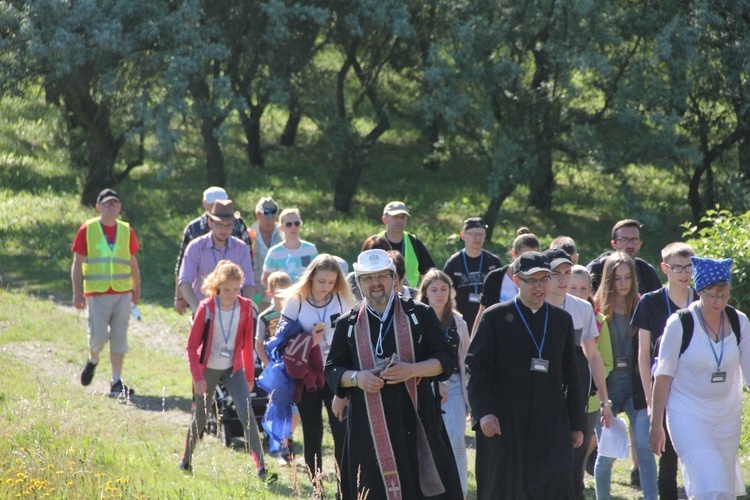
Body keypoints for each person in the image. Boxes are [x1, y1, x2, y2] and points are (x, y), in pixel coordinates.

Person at [325, 249, 462, 499]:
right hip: (366, 428)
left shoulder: (419, 314)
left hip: (415, 418)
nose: (375, 283)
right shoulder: (348, 323)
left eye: (381, 276)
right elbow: (333, 370)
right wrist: (358, 378)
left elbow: (445, 360)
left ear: (393, 277)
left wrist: (413, 370)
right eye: (367, 278)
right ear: (358, 282)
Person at [466, 251, 586, 499]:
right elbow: (476, 369)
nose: (539, 286)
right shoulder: (494, 317)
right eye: (532, 280)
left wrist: (577, 424)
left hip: (550, 424)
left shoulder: (562, 320)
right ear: (517, 281)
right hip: (504, 423)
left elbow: (573, 376)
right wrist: (484, 412)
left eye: (544, 278)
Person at [650, 257, 750, 499]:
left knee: (723, 488)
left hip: (726, 416)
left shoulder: (739, 321)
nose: (719, 302)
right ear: (699, 291)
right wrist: (655, 425)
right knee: (709, 484)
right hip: (687, 412)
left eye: (724, 295)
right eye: (713, 295)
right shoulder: (680, 323)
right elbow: (663, 376)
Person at [179, 260, 275, 482]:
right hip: (208, 369)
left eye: (236, 289)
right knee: (201, 417)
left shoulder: (245, 307)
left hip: (233, 369)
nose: (232, 294)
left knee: (247, 414)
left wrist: (250, 377)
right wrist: (198, 378)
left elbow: (247, 345)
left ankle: (262, 469)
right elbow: (191, 347)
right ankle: (186, 460)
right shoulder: (207, 308)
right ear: (217, 286)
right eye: (226, 289)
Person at [542, 249, 613, 499]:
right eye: (556, 274)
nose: (563, 280)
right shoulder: (534, 307)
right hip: (540, 397)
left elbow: (593, 357)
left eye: (567, 273)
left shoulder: (582, 309)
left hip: (575, 398)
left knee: (574, 470)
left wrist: (605, 401)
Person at [279, 254, 355, 480]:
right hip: (307, 376)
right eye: (322, 281)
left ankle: (345, 488)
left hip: (336, 374)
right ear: (311, 277)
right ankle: (316, 488)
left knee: (342, 431)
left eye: (332, 282)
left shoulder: (342, 299)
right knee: (313, 433)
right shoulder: (296, 301)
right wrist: (308, 341)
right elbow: (279, 340)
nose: (326, 287)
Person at [632, 242, 696, 499]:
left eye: (688, 267)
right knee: (667, 462)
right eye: (676, 267)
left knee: (695, 456)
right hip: (665, 389)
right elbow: (643, 353)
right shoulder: (650, 302)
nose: (683, 273)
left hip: (696, 388)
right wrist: (650, 399)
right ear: (664, 268)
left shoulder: (703, 298)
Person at [592, 252, 657, 500]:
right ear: (608, 279)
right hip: (606, 387)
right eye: (617, 278)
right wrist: (602, 398)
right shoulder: (596, 308)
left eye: (628, 277)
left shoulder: (642, 305)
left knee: (644, 446)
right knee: (606, 453)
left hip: (635, 385)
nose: (623, 283)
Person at [72, 188, 141, 397]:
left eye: (114, 203)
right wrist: (77, 293)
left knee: (120, 338)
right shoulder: (88, 229)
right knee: (99, 337)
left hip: (122, 293)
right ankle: (93, 360)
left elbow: (133, 263)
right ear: (98, 207)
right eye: (107, 203)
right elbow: (77, 263)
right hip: (97, 293)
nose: (111, 207)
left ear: (119, 207)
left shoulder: (126, 230)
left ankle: (116, 381)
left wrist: (136, 290)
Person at [417, 269, 471, 498]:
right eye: (434, 289)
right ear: (425, 292)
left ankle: (461, 491)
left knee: (457, 439)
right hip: (421, 383)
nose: (440, 294)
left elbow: (466, 359)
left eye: (444, 289)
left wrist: (470, 400)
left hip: (454, 384)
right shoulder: (415, 318)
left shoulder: (457, 321)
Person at [174, 187, 251, 315]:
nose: (223, 230)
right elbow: (185, 279)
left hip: (234, 312)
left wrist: (247, 305)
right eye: (219, 225)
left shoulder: (242, 248)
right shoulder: (195, 247)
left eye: (228, 225)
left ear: (234, 225)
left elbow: (249, 282)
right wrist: (195, 306)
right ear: (210, 222)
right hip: (204, 311)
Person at [569, 265, 614, 477]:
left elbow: (604, 361)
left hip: (590, 401)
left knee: (577, 459)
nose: (578, 294)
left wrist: (586, 379)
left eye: (583, 289)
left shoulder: (597, 320)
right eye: (573, 288)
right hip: (561, 398)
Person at [472, 227, 540, 336]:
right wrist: (473, 343)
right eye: (525, 256)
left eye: (534, 257)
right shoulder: (495, 277)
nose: (530, 261)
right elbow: (482, 313)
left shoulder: (542, 280)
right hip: (497, 337)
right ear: (514, 254)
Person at [443, 217, 503, 333]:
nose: (477, 238)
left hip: (490, 321)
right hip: (461, 322)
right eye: (473, 234)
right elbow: (447, 294)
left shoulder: (493, 262)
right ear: (463, 235)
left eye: (481, 234)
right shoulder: (454, 263)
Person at [586, 219, 661, 295]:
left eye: (634, 240)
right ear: (613, 244)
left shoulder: (647, 271)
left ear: (640, 244)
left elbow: (659, 303)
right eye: (624, 240)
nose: (630, 245)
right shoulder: (597, 268)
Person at [379, 201, 435, 287]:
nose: (399, 220)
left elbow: (429, 275)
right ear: (384, 219)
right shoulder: (376, 243)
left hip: (410, 297)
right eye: (395, 217)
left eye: (403, 217)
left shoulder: (414, 242)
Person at [261, 208, 318, 286]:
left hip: (306, 296)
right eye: (289, 224)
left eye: (296, 223)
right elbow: (265, 280)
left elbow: (318, 275)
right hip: (283, 296)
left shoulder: (311, 249)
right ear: (281, 227)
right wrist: (277, 292)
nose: (293, 227)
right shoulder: (274, 252)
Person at [248, 196, 283, 308]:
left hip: (279, 293)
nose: (270, 219)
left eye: (274, 214)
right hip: (256, 294)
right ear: (258, 215)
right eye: (266, 214)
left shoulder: (284, 233)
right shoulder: (250, 235)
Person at [346, 235, 391, 300]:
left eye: (382, 276)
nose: (376, 282)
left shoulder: (397, 277)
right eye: (368, 278)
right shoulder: (351, 279)